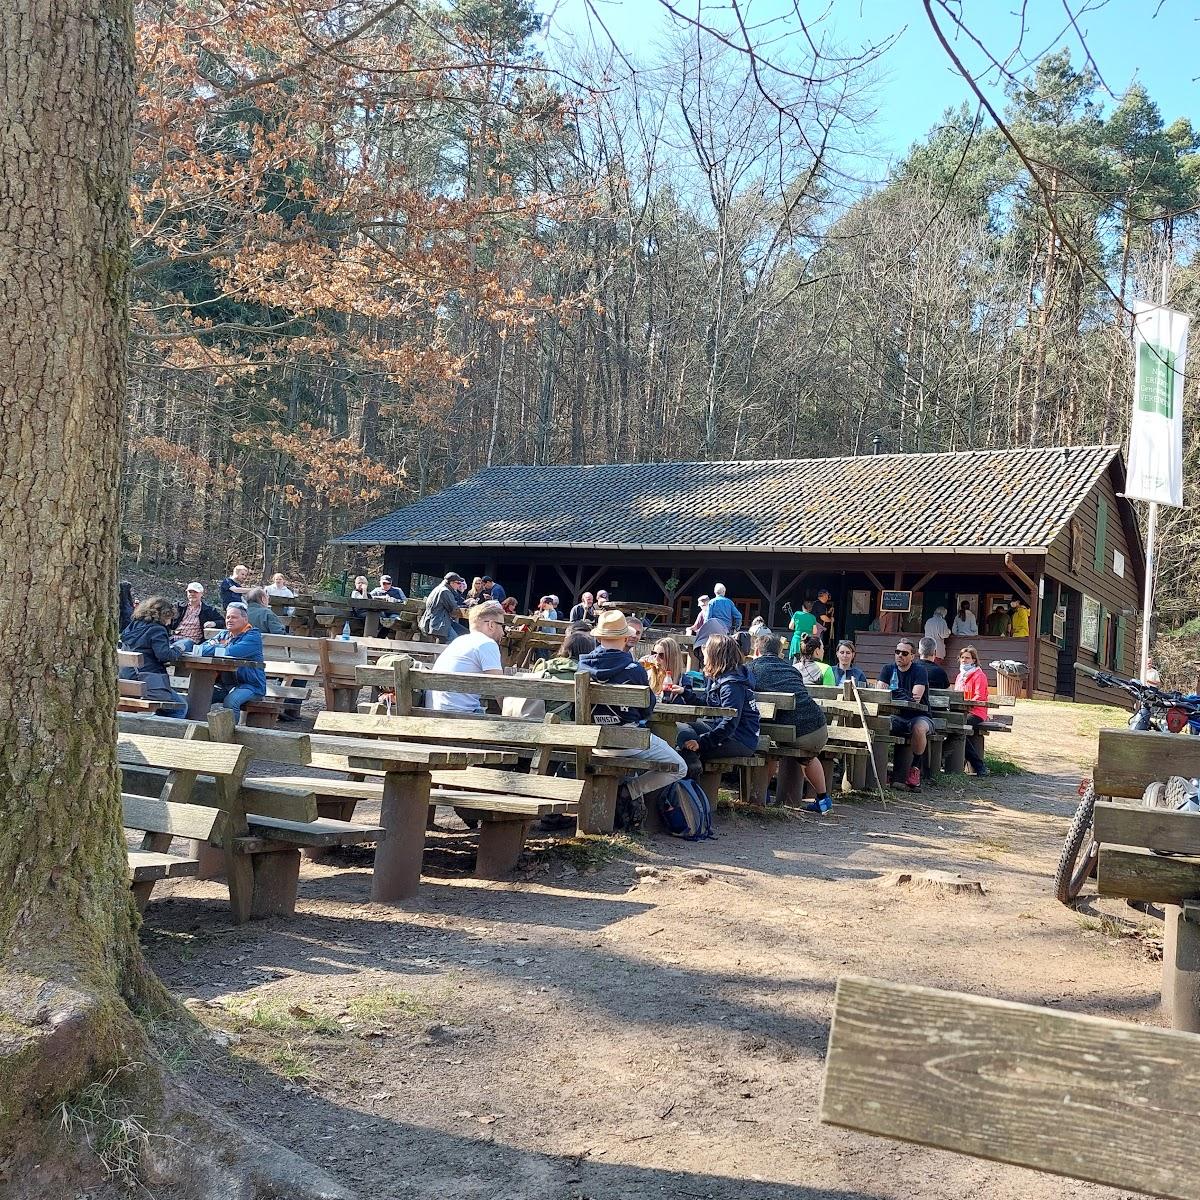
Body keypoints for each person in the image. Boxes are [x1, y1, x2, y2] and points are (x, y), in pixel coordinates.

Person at [580, 610, 687, 830]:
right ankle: (629, 791)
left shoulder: (582, 667)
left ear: (599, 637)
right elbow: (646, 711)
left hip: (591, 742)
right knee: (679, 767)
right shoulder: (634, 669)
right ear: (624, 637)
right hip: (628, 743)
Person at [748, 634, 832, 813]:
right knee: (808, 757)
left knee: (766, 746)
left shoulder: (752, 669)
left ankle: (760, 796)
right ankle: (824, 800)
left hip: (793, 731)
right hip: (818, 726)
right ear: (780, 652)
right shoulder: (792, 670)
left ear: (756, 651)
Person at [679, 634, 761, 770]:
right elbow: (707, 702)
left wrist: (702, 742)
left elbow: (730, 722)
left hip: (740, 740)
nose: (703, 650)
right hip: (728, 733)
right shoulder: (722, 677)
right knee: (682, 729)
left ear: (715, 654)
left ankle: (692, 782)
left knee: (686, 744)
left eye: (706, 647)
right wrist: (684, 692)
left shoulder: (731, 685)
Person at [876, 637, 934, 792]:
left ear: (912, 656)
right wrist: (901, 694)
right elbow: (880, 694)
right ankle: (881, 771)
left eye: (904, 653)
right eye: (897, 652)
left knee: (919, 728)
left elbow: (916, 698)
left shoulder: (919, 670)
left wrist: (894, 693)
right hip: (895, 716)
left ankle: (915, 767)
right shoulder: (887, 669)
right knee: (878, 725)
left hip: (919, 715)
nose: (899, 655)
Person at [426, 601, 505, 713]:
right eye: (502, 625)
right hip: (460, 716)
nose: (503, 632)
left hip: (436, 711)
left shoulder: (459, 641)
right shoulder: (487, 644)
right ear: (491, 625)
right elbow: (501, 688)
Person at [119, 596, 190, 718]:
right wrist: (181, 648)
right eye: (169, 618)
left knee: (167, 705)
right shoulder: (157, 630)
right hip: (147, 683)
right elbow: (165, 655)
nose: (169, 623)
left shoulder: (132, 626)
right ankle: (168, 736)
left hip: (127, 680)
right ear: (164, 615)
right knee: (181, 706)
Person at [198, 603, 267, 722]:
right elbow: (201, 649)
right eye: (228, 617)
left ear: (245, 619)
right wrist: (221, 647)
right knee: (200, 696)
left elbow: (231, 652)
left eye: (234, 617)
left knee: (231, 701)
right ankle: (196, 727)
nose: (229, 620)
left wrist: (219, 647)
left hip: (250, 686)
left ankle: (229, 734)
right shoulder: (223, 634)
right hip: (225, 685)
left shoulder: (252, 637)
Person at [955, 646, 990, 777]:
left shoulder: (979, 675)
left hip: (976, 712)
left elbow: (979, 696)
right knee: (955, 728)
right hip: (961, 711)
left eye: (967, 658)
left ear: (974, 660)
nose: (964, 660)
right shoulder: (959, 676)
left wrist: (966, 705)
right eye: (962, 657)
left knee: (960, 728)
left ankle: (979, 766)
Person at [420, 572, 468, 643]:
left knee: (464, 633)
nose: (459, 585)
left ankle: (439, 653)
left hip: (435, 621)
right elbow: (454, 609)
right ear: (451, 583)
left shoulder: (439, 588)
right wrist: (466, 606)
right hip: (439, 623)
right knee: (455, 640)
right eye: (458, 583)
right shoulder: (445, 591)